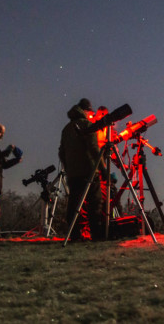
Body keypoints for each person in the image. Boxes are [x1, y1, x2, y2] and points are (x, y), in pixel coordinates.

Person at [59, 98, 108, 241]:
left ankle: (74, 234)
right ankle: (96, 234)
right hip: (89, 171)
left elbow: (61, 152)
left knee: (74, 203)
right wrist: (103, 169)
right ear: (86, 111)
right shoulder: (87, 125)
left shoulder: (66, 129)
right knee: (95, 203)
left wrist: (68, 168)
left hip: (73, 173)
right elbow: (94, 149)